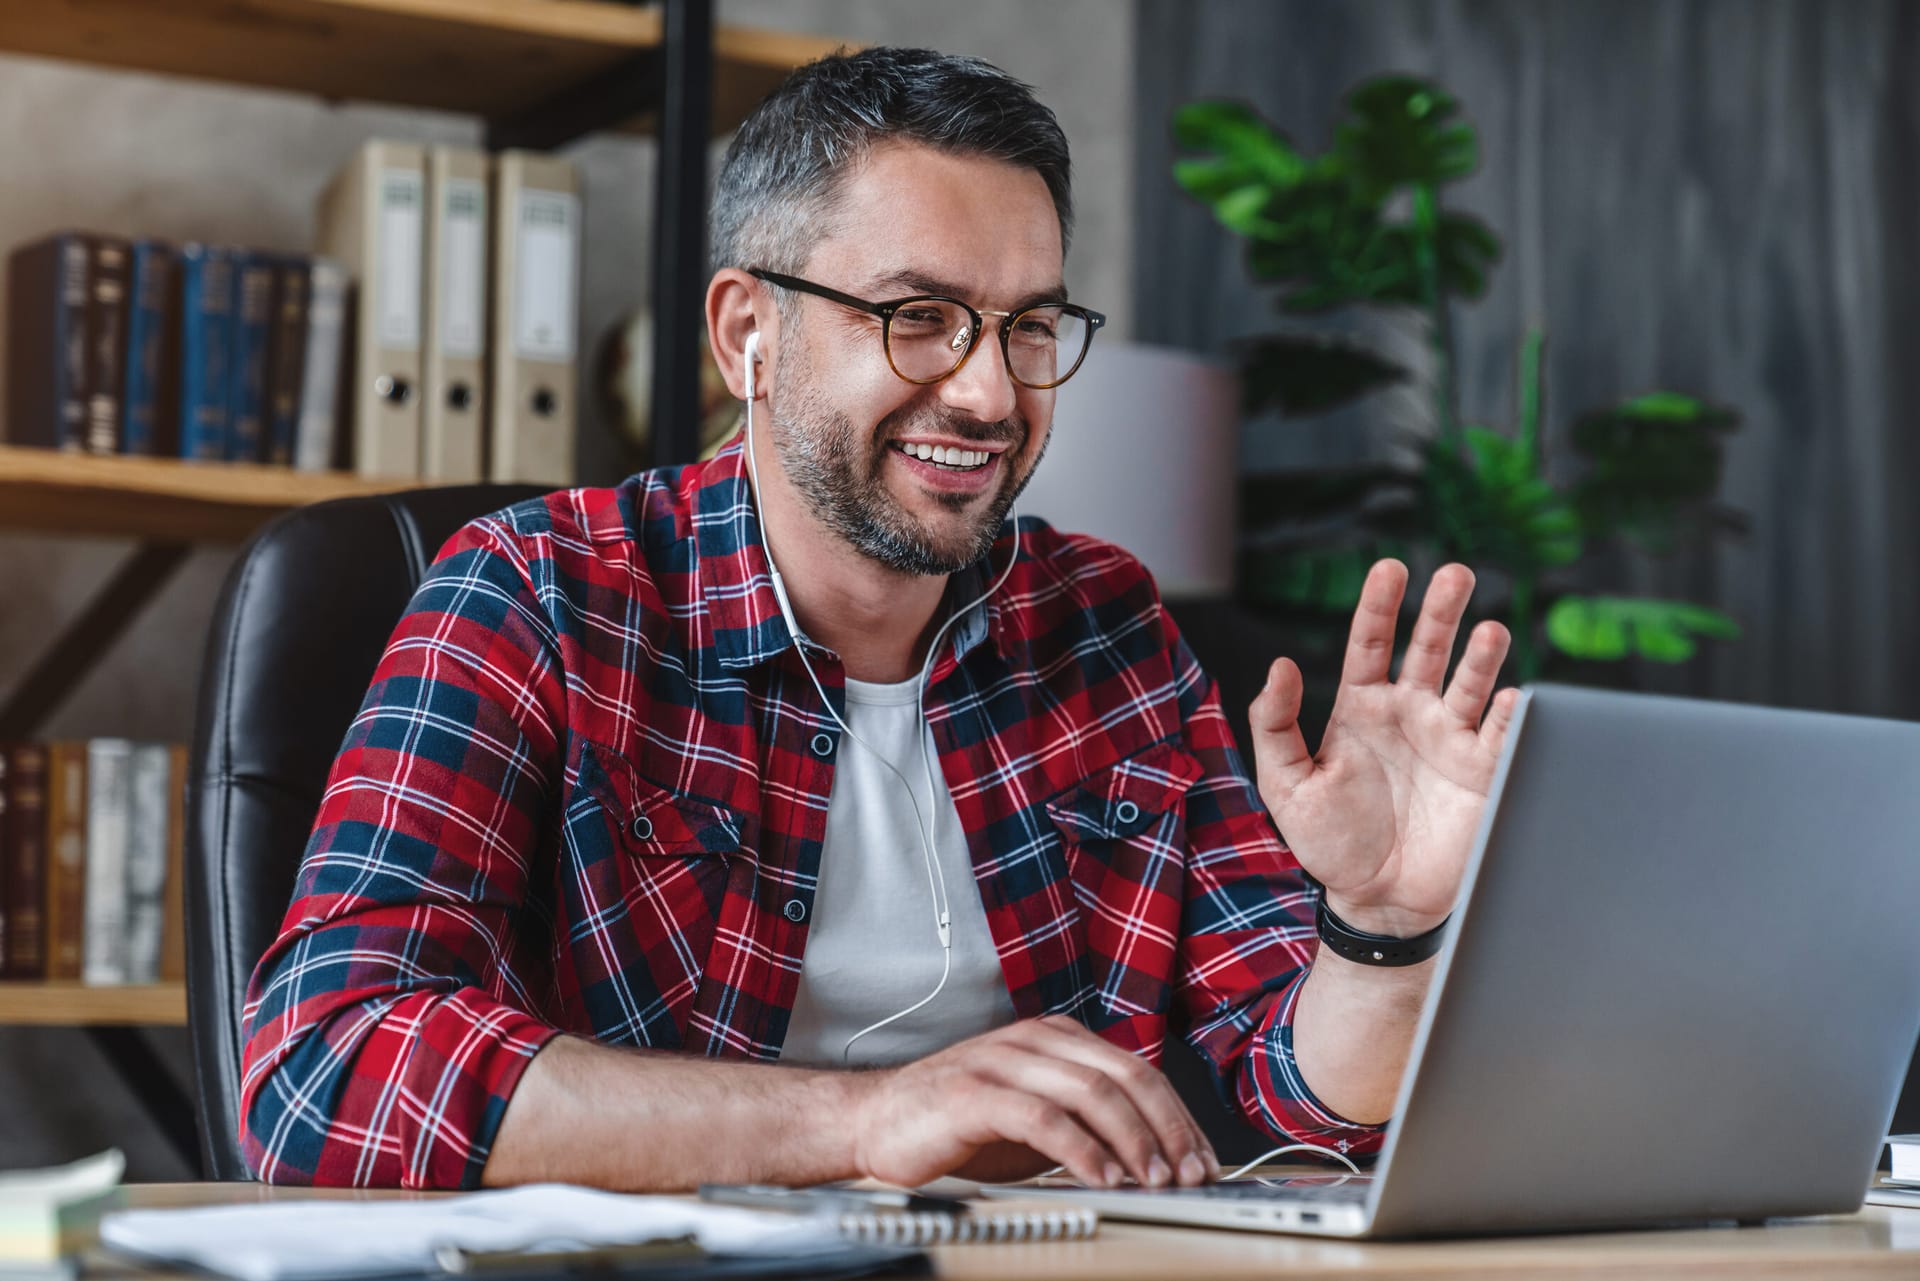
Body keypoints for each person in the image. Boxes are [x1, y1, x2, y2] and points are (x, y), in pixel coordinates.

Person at [239, 46, 1518, 1193]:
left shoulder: (1108, 623)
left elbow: (1300, 1096)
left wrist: (1384, 922)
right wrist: (866, 1124)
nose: (986, 391)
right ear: (749, 333)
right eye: (918, 319)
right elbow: (325, 1068)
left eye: (1028, 328)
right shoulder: (539, 596)